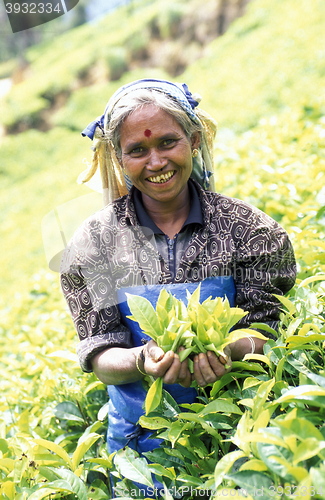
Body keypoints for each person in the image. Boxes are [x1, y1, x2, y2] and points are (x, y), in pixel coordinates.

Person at [60, 78, 296, 481]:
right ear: (118, 158)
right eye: (137, 150)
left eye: (168, 142)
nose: (156, 162)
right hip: (140, 452)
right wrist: (142, 360)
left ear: (194, 139)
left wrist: (228, 348)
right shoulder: (93, 244)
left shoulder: (251, 230)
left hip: (241, 438)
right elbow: (100, 354)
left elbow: (270, 331)